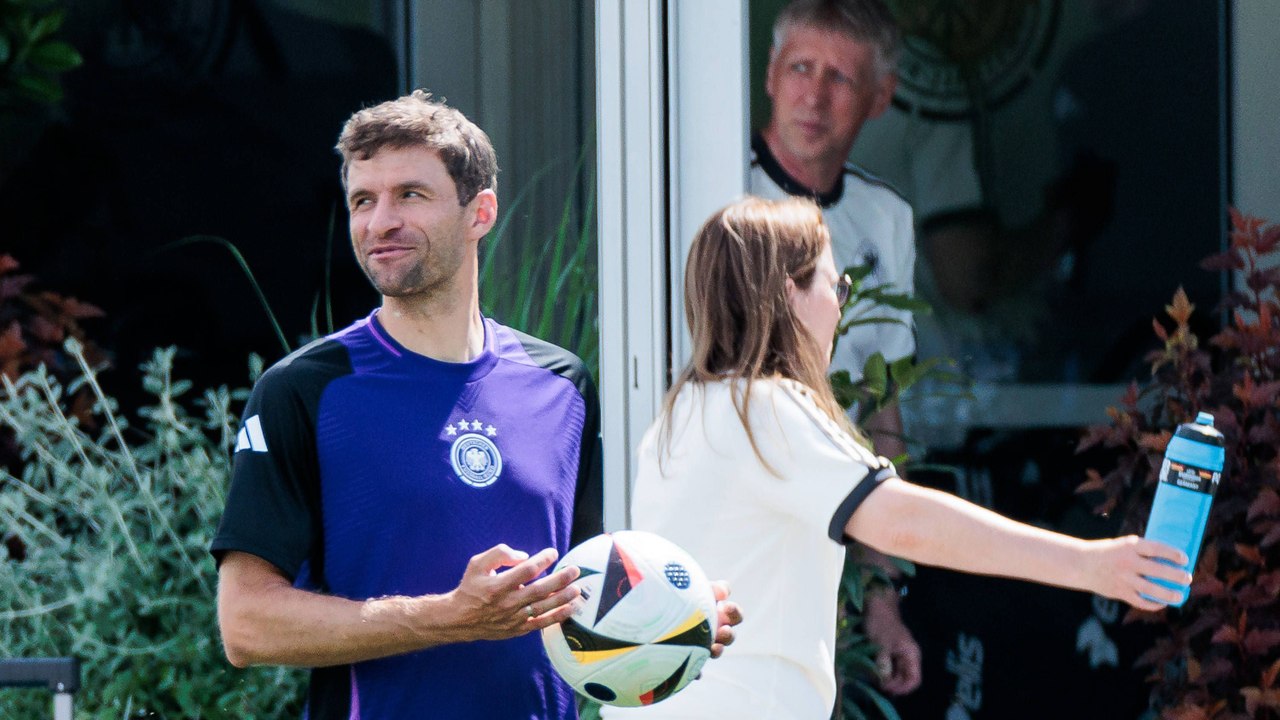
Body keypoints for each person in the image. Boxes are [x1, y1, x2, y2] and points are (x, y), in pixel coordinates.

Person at [210, 91, 740, 720]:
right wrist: (447, 618)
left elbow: (578, 592)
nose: (380, 222)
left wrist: (670, 617)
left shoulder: (561, 385)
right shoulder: (304, 390)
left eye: (410, 194)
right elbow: (246, 625)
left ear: (479, 212)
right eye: (363, 200)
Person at [602, 197, 1190, 720]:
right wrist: (1093, 566)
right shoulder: (770, 409)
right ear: (790, 296)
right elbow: (903, 522)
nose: (839, 309)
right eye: (837, 287)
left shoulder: (680, 418)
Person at [748, 0, 921, 694]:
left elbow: (884, 407)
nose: (813, 95)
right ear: (769, 74)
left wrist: (882, 595)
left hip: (845, 532)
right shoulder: (709, 184)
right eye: (799, 68)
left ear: (882, 98)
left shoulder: (886, 216)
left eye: (841, 79)